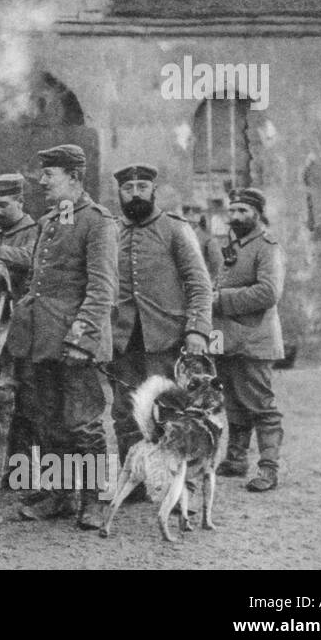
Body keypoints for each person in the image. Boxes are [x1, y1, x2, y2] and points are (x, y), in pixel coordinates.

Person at [7, 144, 117, 530]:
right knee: (48, 420)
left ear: (73, 176)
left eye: (49, 174)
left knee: (83, 422)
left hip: (74, 342)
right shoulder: (50, 221)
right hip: (43, 338)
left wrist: (81, 337)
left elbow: (103, 289)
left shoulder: (98, 221)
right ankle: (60, 494)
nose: (41, 181)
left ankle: (96, 499)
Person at [108, 164, 212, 464]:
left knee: (168, 410)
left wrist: (196, 330)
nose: (136, 193)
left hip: (165, 338)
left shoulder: (176, 229)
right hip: (123, 339)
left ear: (154, 191)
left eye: (142, 187)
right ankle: (136, 477)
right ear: (120, 193)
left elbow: (199, 283)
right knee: (125, 412)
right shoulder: (111, 231)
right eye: (129, 188)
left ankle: (172, 479)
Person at [213, 188, 285, 493]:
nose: (236, 216)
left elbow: (268, 293)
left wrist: (222, 299)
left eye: (243, 211)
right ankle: (236, 459)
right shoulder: (232, 245)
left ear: (257, 214)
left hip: (255, 339)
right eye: (232, 211)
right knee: (233, 402)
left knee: (261, 404)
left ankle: (268, 469)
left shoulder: (267, 247)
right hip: (228, 339)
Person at [0, 173, 41, 469]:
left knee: (28, 402)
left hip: (28, 329)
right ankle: (3, 464)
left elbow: (30, 258)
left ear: (20, 201)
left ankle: (25, 469)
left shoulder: (36, 231)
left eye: (4, 204)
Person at [183, 203, 224, 279]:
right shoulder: (181, 236)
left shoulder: (208, 240)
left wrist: (210, 284)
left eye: (195, 211)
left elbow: (218, 265)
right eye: (185, 212)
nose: (190, 215)